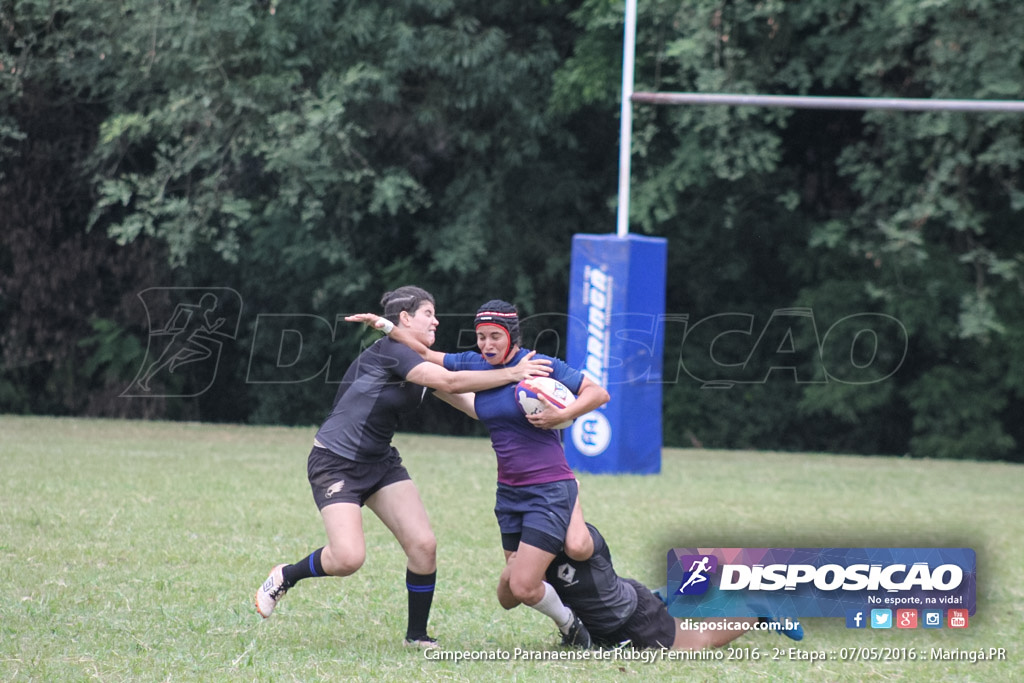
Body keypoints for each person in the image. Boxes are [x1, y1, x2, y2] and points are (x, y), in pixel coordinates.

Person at [254, 286, 553, 649]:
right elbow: (451, 380)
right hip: (335, 463)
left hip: (380, 463)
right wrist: (511, 374)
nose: (436, 320)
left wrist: (539, 407)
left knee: (424, 546)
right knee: (348, 558)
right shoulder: (393, 352)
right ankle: (285, 576)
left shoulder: (419, 362)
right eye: (429, 313)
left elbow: (475, 406)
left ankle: (416, 636)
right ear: (405, 319)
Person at [351, 300, 610, 648]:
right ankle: (573, 558)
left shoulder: (538, 364)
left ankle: (573, 625)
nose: (487, 345)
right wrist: (384, 326)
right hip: (509, 494)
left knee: (523, 585)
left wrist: (561, 416)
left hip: (548, 487)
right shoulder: (475, 364)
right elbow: (424, 353)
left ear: (512, 337)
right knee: (508, 596)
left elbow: (598, 393)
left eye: (495, 337)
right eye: (481, 336)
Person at [499, 522, 805, 649]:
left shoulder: (576, 537)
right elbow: (510, 599)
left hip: (633, 619)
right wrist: (509, 574)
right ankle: (672, 593)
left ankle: (758, 606)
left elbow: (577, 545)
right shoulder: (530, 536)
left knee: (699, 640)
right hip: (617, 611)